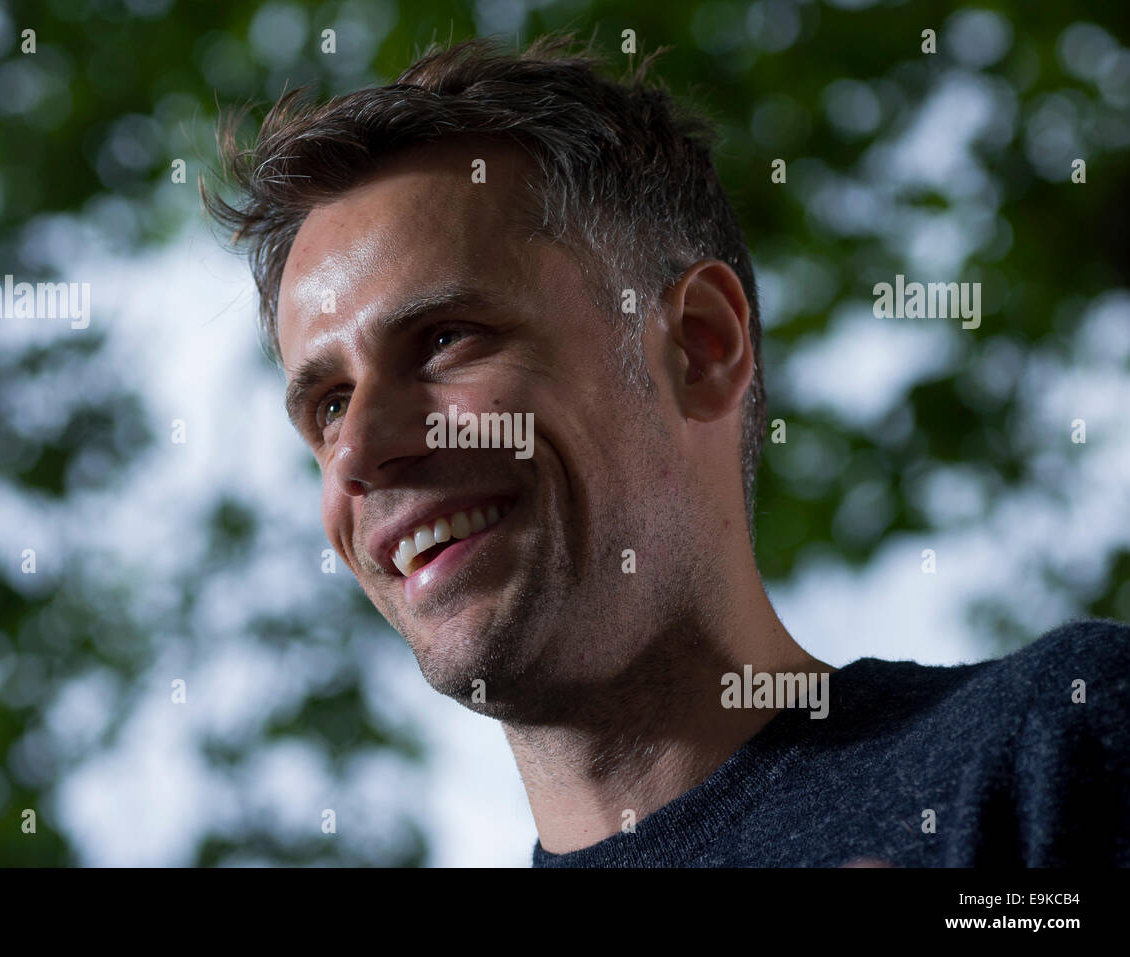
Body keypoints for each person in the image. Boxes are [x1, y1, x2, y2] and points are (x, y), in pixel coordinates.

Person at [206, 34, 1130, 866]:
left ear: (700, 346)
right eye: (327, 405)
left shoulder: (1056, 749)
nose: (359, 448)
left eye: (445, 339)